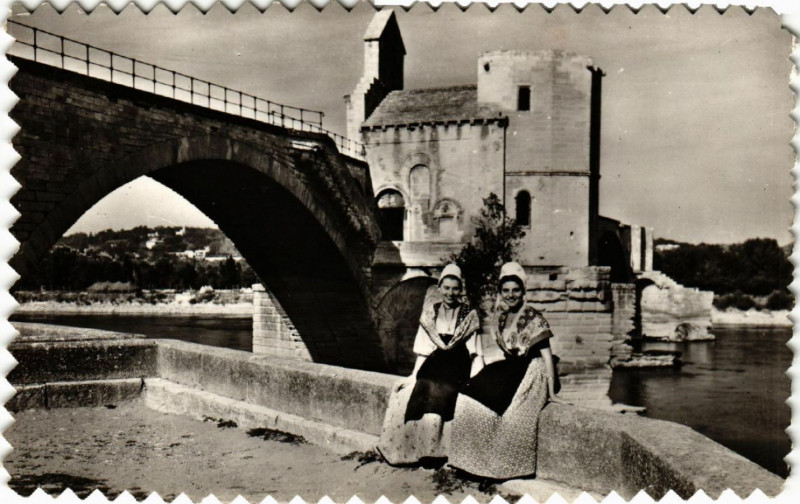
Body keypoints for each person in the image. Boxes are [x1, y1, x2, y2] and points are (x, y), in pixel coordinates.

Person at [449, 261, 567, 481]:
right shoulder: (502, 318)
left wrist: (552, 393)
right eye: (506, 291)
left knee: (512, 418)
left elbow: (547, 356)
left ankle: (503, 469)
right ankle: (473, 463)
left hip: (534, 372)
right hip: (514, 369)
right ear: (500, 293)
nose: (510, 295)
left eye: (515, 290)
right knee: (468, 395)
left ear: (523, 291)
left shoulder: (532, 316)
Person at [377, 263, 482, 465]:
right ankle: (415, 451)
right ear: (440, 288)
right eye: (446, 288)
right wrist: (412, 375)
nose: (450, 293)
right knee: (421, 386)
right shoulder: (430, 313)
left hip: (457, 364)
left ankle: (437, 453)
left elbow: (475, 352)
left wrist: (478, 380)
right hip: (435, 363)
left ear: (460, 290)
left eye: (455, 288)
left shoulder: (468, 315)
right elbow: (424, 349)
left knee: (442, 389)